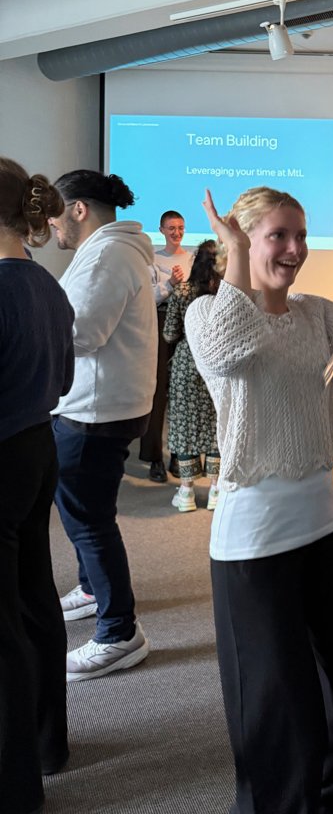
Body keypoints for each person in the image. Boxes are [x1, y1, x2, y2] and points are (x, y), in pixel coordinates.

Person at [185, 185, 333, 814]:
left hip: (326, 531)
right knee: (281, 735)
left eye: (300, 236)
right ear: (241, 242)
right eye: (279, 235)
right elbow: (226, 348)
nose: (296, 249)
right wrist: (238, 259)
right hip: (255, 548)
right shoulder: (208, 313)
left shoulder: (314, 314)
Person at [49, 170, 157, 681]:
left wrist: (31, 322)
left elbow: (82, 332)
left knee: (88, 520)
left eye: (54, 213)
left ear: (78, 209)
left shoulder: (108, 254)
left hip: (95, 411)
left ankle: (119, 633)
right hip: (104, 403)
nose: (50, 225)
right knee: (83, 512)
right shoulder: (115, 249)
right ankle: (93, 590)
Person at [0, 159, 74, 814]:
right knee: (34, 602)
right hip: (36, 448)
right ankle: (50, 744)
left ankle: (14, 786)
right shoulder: (46, 285)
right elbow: (66, 381)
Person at [163, 239, 222, 513]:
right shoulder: (225, 292)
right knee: (216, 423)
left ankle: (186, 491)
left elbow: (170, 334)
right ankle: (216, 489)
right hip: (217, 362)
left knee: (184, 423)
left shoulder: (183, 290)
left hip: (188, 361)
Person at [140, 210, 195, 482]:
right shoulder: (152, 259)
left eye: (181, 227)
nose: (177, 232)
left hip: (187, 325)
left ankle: (178, 455)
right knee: (157, 392)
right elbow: (147, 296)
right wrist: (170, 283)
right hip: (160, 324)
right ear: (161, 230)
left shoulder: (192, 258)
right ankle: (154, 459)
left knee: (181, 392)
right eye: (171, 228)